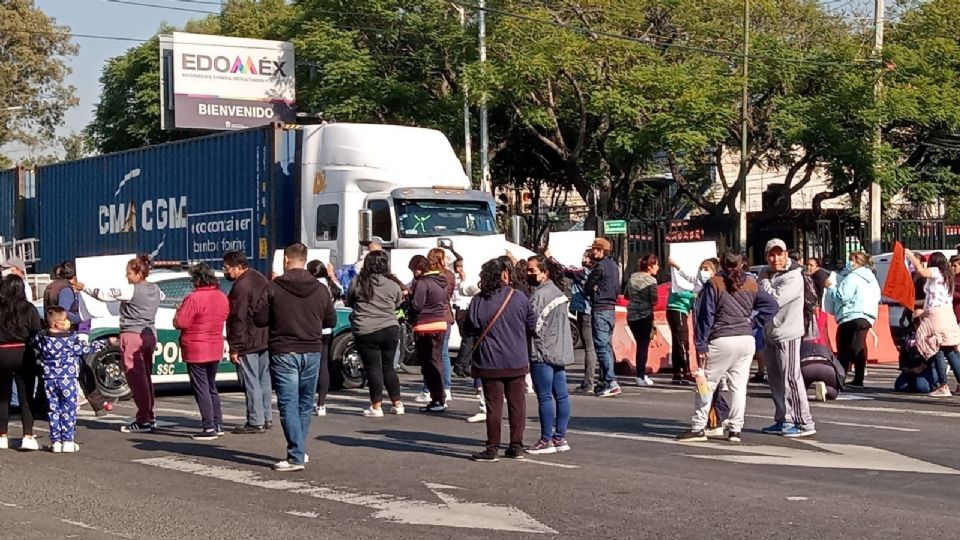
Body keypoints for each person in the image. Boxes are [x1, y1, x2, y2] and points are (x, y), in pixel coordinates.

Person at [677, 251, 778, 443]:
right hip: (746, 339)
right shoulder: (751, 282)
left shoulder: (714, 283)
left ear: (721, 264)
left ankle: (698, 427)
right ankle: (735, 430)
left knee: (706, 384)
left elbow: (706, 316)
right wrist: (754, 322)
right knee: (738, 387)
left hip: (721, 339)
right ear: (741, 264)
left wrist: (701, 343)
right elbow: (772, 306)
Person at [253, 243, 336, 472]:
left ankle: (296, 455)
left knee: (288, 403)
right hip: (312, 350)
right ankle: (299, 448)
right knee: (305, 402)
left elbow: (259, 318)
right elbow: (331, 321)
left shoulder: (273, 287)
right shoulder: (320, 289)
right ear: (305, 259)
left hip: (284, 350)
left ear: (287, 261)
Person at [81, 255, 162, 434]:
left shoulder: (131, 290)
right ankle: (150, 415)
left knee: (135, 378)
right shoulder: (155, 289)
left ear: (139, 274)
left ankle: (143, 419)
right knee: (146, 377)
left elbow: (104, 295)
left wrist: (84, 288)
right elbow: (161, 298)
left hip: (132, 334)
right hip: (149, 334)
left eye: (129, 273)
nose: (127, 277)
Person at [468, 258, 537, 462]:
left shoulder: (478, 301)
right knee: (517, 404)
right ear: (504, 275)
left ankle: (492, 449)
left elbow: (470, 328)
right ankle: (516, 446)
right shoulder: (519, 297)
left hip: (489, 361)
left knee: (493, 407)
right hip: (516, 359)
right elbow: (532, 325)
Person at [758, 239, 816, 438]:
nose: (775, 259)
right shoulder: (766, 274)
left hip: (788, 333)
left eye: (779, 254)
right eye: (771, 255)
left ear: (786, 255)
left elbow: (772, 300)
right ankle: (784, 419)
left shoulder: (793, 276)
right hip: (770, 333)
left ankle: (803, 422)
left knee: (791, 377)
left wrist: (764, 281)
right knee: (775, 379)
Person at [32, 307, 104, 453]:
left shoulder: (42, 338)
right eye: (65, 319)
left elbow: (33, 343)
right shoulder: (71, 339)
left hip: (49, 379)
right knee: (69, 409)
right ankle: (68, 440)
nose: (67, 322)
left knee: (53, 409)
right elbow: (86, 348)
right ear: (57, 323)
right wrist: (106, 343)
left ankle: (55, 441)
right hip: (68, 378)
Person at [345, 250, 405, 417]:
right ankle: (397, 403)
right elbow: (398, 303)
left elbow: (349, 300)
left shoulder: (358, 282)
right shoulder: (393, 284)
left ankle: (376, 406)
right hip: (390, 328)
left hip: (366, 329)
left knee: (373, 368)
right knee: (388, 367)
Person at [174, 263, 230, 440]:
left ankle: (208, 427)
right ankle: (217, 422)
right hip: (214, 344)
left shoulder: (194, 298)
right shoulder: (221, 297)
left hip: (196, 346)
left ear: (196, 280)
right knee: (211, 386)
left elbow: (181, 322)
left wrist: (177, 313)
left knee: (201, 387)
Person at [526, 256, 574, 455]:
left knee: (545, 397)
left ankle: (546, 439)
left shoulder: (539, 296)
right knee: (561, 395)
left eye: (532, 271)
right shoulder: (559, 293)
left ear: (544, 273)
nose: (528, 274)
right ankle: (560, 437)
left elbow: (533, 325)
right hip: (559, 351)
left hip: (542, 351)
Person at [223, 251, 273, 434]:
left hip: (247, 339)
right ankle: (266, 417)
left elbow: (238, 317)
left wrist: (235, 347)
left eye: (227, 268)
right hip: (264, 337)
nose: (225, 271)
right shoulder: (260, 278)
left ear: (238, 267)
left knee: (250, 381)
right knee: (264, 380)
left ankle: (255, 420)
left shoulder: (241, 286)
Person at [904, 250, 960, 396]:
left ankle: (943, 385)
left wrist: (910, 256)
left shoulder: (936, 271)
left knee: (936, 349)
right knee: (949, 350)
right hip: (948, 315)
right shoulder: (949, 277)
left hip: (935, 316)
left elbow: (922, 271)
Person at [823, 252, 881, 389]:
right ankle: (858, 378)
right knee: (859, 346)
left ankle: (839, 378)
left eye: (850, 260)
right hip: (867, 316)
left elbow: (842, 296)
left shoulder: (853, 277)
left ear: (856, 261)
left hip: (851, 315)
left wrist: (830, 287)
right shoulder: (871, 279)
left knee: (844, 348)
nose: (848, 263)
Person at [0, 275, 42, 450]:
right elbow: (36, 332)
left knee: (2, 398)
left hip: (2, 353)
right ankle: (28, 435)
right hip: (24, 353)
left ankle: (2, 435)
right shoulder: (29, 308)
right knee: (26, 398)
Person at [409, 249, 453, 412]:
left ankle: (438, 399)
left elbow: (417, 305)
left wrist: (408, 303)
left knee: (429, 365)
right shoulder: (441, 281)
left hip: (425, 325)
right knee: (437, 361)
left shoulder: (423, 282)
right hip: (440, 323)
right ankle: (439, 396)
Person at [582, 238, 621, 397]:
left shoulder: (600, 267)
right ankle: (605, 381)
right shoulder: (614, 266)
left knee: (602, 347)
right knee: (607, 346)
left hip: (600, 308)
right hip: (611, 308)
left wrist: (594, 289)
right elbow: (617, 288)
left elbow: (587, 287)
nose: (592, 252)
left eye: (595, 249)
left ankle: (611, 381)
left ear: (602, 251)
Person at [307, 260, 337, 416]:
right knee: (324, 365)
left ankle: (308, 400)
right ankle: (322, 404)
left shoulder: (311, 286)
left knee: (310, 367)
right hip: (327, 330)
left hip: (312, 329)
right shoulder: (330, 285)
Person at [626, 254, 660, 387]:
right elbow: (654, 300)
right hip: (644, 316)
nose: (658, 268)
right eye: (656, 265)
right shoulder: (651, 281)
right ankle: (640, 375)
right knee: (643, 346)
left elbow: (626, 295)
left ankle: (642, 374)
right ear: (650, 266)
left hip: (632, 316)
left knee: (640, 345)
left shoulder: (632, 277)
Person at [567, 250, 597, 394]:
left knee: (589, 348)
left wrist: (549, 257)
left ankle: (588, 382)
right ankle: (602, 379)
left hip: (585, 311)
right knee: (597, 347)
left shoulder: (583, 271)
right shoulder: (597, 272)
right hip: (593, 309)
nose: (582, 258)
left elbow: (565, 270)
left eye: (585, 256)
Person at [665, 260, 696, 386]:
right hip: (676, 309)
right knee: (682, 342)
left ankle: (678, 373)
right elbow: (679, 292)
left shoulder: (688, 279)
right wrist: (694, 296)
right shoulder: (678, 280)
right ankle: (684, 371)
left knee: (679, 341)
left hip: (681, 310)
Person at [805, 257, 832, 348]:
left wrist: (818, 305)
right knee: (820, 333)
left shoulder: (819, 276)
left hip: (819, 309)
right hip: (820, 308)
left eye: (811, 265)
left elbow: (822, 292)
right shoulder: (815, 275)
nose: (808, 267)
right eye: (807, 264)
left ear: (817, 267)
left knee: (817, 332)